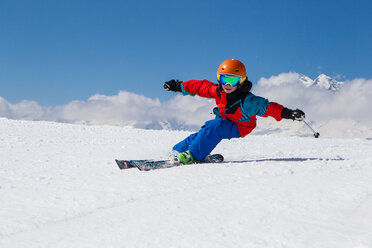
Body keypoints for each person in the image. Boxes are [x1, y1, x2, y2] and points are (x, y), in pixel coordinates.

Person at [163, 59, 305, 164]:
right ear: (219, 79)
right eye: (225, 79)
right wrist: (178, 86)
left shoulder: (248, 101)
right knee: (205, 130)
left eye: (233, 80)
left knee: (215, 127)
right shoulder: (218, 90)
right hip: (224, 120)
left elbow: (268, 108)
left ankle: (193, 155)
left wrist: (289, 113)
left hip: (240, 126)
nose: (228, 85)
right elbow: (200, 86)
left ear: (241, 81)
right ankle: (177, 151)